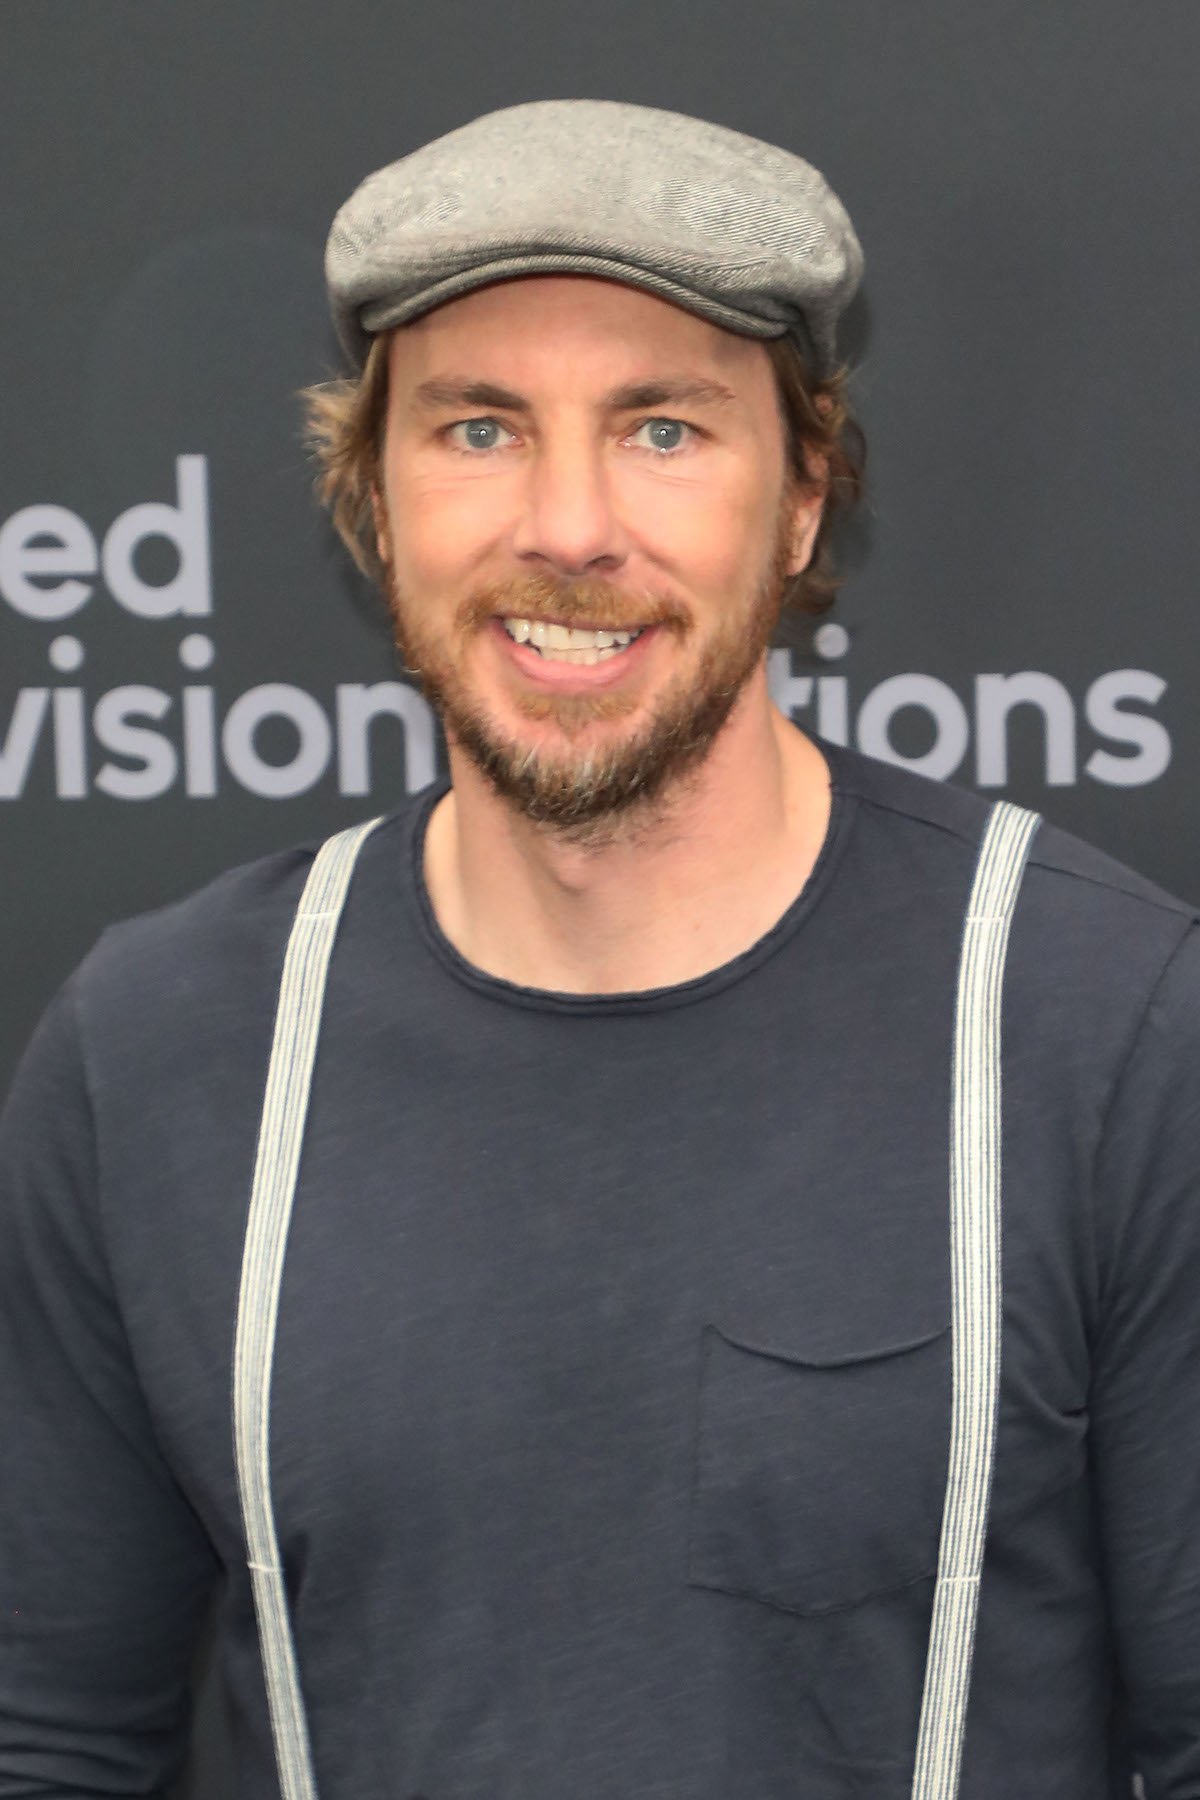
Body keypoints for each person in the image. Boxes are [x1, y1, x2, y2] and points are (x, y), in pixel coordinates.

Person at [1, 98, 1197, 1800]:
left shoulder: (1108, 1028)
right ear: (376, 503)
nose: (566, 527)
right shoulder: (165, 1051)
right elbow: (50, 1741)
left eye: (663, 429)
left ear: (802, 505)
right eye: (479, 430)